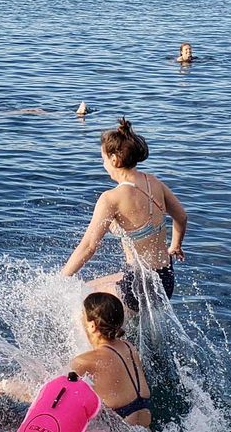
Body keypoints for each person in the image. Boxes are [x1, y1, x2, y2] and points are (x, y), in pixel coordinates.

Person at [60, 119, 187, 307]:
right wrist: (175, 245)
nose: (103, 165)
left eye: (103, 159)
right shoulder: (154, 182)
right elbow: (182, 216)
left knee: (83, 297)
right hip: (165, 280)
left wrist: (62, 278)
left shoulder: (111, 198)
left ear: (114, 159)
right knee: (92, 285)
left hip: (138, 285)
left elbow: (88, 247)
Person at [0, 293, 153, 428]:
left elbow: (44, 396)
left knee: (6, 425)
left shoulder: (85, 361)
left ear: (92, 325)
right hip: (145, 427)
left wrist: (4, 386)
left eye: (83, 316)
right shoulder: (129, 347)